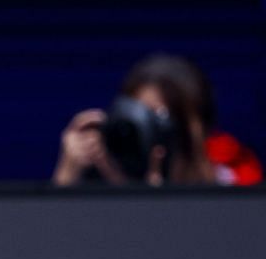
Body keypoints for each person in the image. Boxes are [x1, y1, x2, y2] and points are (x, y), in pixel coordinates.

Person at [54, 53, 261, 187]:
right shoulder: (98, 188)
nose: (150, 137)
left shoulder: (236, 187)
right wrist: (67, 175)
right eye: (138, 121)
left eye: (160, 121)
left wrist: (160, 205)